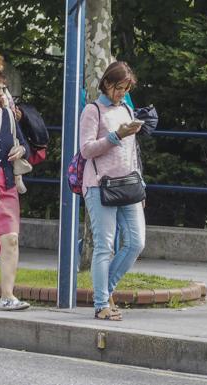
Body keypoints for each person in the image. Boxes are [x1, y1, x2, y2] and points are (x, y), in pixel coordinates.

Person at [79, 61, 145, 321]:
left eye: (126, 88)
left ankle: (106, 291)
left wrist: (143, 185)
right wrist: (115, 136)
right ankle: (101, 304)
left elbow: (133, 152)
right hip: (99, 185)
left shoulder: (127, 108)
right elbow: (85, 150)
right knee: (104, 246)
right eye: (118, 87)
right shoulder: (92, 110)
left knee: (136, 242)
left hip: (128, 185)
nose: (121, 92)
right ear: (106, 83)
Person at [0, 71, 31, 310]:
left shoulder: (8, 116)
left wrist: (21, 152)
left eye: (1, 88)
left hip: (7, 185)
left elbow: (24, 146)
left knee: (11, 239)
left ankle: (7, 296)